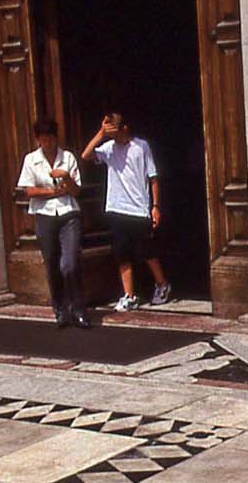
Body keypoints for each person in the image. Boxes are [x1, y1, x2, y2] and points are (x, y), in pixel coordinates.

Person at [82, 109, 172, 312]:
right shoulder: (108, 148)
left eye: (115, 132)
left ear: (125, 128)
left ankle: (162, 284)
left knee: (147, 252)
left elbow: (153, 177)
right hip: (117, 208)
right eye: (110, 133)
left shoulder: (141, 147)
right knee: (122, 254)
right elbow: (86, 155)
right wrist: (101, 134)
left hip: (139, 208)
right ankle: (129, 295)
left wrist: (155, 206)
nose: (114, 137)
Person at [15, 117, 88, 328]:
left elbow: (76, 190)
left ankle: (78, 308)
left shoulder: (68, 158)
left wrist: (66, 177)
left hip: (68, 213)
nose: (48, 143)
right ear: (38, 139)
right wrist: (53, 192)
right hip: (44, 214)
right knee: (52, 263)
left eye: (51, 138)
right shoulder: (31, 160)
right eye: (43, 139)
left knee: (70, 263)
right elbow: (29, 190)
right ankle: (60, 309)